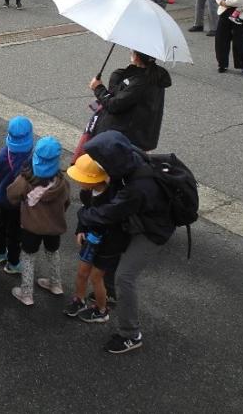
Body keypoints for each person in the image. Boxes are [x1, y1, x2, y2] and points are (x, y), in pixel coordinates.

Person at [76, 130, 176, 354]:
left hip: (153, 231)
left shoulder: (137, 187)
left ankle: (130, 334)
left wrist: (82, 218)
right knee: (115, 262)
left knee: (125, 277)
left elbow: (108, 214)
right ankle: (108, 296)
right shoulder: (131, 156)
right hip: (142, 218)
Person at [64, 154, 128, 323]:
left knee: (96, 278)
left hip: (109, 244)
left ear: (93, 180)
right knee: (81, 273)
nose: (79, 182)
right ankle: (79, 299)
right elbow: (86, 213)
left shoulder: (114, 198)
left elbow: (91, 215)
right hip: (91, 240)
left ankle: (101, 310)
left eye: (81, 178)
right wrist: (81, 229)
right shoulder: (87, 192)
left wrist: (85, 221)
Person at [7, 137, 69, 306]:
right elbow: (67, 203)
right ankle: (56, 284)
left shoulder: (26, 180)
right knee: (53, 253)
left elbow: (11, 195)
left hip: (31, 228)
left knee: (27, 257)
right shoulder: (62, 182)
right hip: (55, 227)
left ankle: (26, 293)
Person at [89, 50, 171, 152]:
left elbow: (113, 105)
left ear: (136, 57)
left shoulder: (140, 82)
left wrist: (98, 88)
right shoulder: (154, 75)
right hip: (141, 135)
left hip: (124, 139)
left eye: (132, 52)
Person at [0, 116, 35, 274]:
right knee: (15, 233)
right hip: (18, 204)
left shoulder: (4, 154)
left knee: (1, 226)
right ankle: (13, 263)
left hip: (2, 199)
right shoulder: (30, 158)